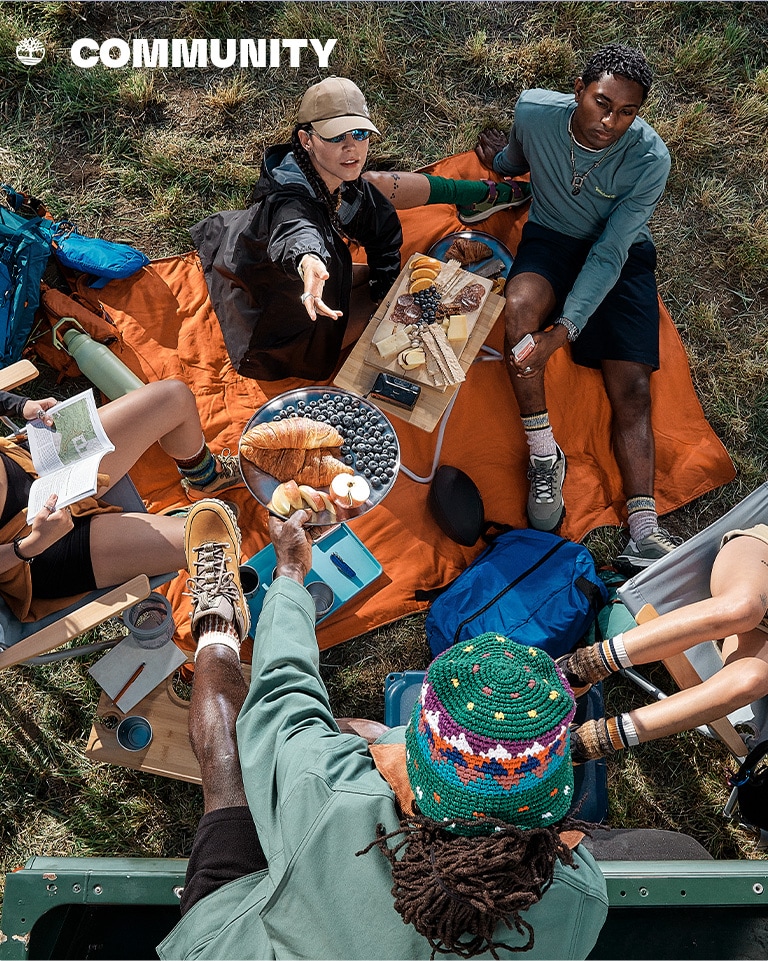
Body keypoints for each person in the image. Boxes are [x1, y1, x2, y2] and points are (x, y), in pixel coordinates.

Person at [158, 500, 608, 960]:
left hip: (246, 939)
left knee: (233, 761)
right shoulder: (582, 894)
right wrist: (382, 741)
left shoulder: (337, 796)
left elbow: (280, 702)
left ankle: (216, 622)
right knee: (364, 734)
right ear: (556, 785)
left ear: (417, 767)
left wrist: (291, 570)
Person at [366, 45, 675, 570]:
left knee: (634, 386)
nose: (610, 121)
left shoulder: (650, 160)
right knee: (517, 309)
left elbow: (609, 251)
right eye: (602, 102)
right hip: (550, 237)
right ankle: (543, 454)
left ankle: (644, 528)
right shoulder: (534, 109)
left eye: (627, 112)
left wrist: (567, 329)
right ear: (578, 88)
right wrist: (502, 163)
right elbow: (516, 159)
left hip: (618, 253)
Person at [191, 76, 403, 382]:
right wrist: (308, 259)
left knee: (386, 286)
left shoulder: (336, 178)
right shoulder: (289, 199)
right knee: (378, 316)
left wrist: (385, 280)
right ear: (307, 140)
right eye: (335, 137)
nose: (351, 147)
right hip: (267, 319)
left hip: (287, 275)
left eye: (360, 133)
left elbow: (382, 226)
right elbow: (295, 228)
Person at [0, 379, 242, 622]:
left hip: (32, 465)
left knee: (174, 397)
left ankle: (205, 478)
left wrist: (19, 404)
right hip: (35, 550)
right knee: (211, 537)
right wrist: (31, 545)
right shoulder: (31, 547)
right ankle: (167, 523)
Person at [562, 525, 768, 762]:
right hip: (760, 562)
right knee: (744, 609)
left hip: (762, 634)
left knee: (753, 680)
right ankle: (580, 667)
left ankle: (594, 741)